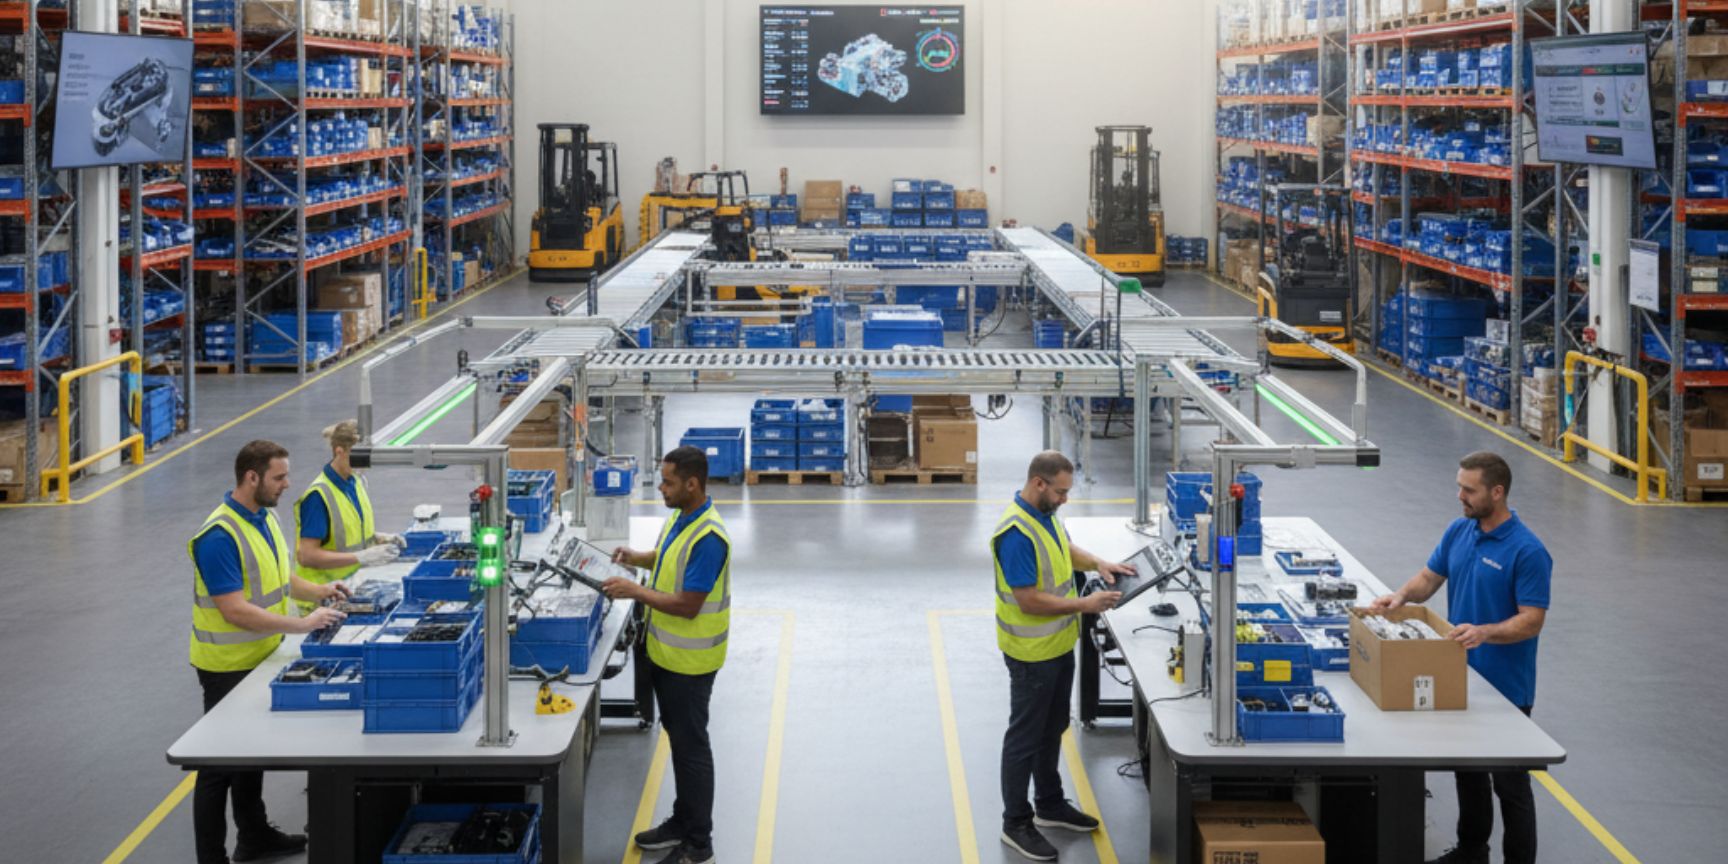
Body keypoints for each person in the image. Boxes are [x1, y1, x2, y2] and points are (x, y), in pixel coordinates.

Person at [1369, 451, 1551, 864]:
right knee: (1468, 771)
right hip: (1460, 675)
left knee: (1510, 785)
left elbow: (1532, 621)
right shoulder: (1460, 530)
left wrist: (1485, 631)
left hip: (1507, 687)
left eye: (1469, 490)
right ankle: (1472, 851)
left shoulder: (1528, 551)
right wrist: (1401, 596)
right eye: (1459, 487)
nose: (1460, 496)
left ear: (1497, 492)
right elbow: (1431, 577)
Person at [189, 440, 353, 864]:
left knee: (250, 756)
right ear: (252, 477)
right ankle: (211, 858)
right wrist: (301, 625)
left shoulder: (265, 517)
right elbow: (235, 609)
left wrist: (320, 590)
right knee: (217, 768)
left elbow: (282, 575)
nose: (287, 484)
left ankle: (254, 836)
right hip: (227, 666)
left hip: (262, 656)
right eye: (279, 477)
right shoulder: (218, 535)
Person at [994, 450, 1132, 862]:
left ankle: (1050, 804)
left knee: (1053, 727)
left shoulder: (1045, 514)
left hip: (1057, 646)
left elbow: (1063, 549)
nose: (1065, 499)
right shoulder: (1015, 532)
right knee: (1024, 739)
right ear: (1039, 483)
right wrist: (1085, 606)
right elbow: (1029, 601)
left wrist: (1099, 562)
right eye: (1061, 491)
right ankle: (1016, 822)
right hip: (1031, 654)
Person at [601, 446, 730, 864]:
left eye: (669, 481)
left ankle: (699, 842)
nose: (662, 487)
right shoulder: (682, 516)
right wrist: (639, 559)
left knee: (692, 751)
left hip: (690, 668)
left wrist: (635, 590)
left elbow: (688, 604)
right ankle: (682, 820)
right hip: (667, 656)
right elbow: (672, 559)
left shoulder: (710, 538)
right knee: (680, 746)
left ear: (693, 483)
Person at [293, 419, 403, 612]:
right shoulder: (318, 496)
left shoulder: (355, 482)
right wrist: (361, 556)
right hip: (323, 598)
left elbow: (344, 531)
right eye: (358, 456)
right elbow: (307, 555)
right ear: (339, 451)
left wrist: (377, 538)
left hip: (351, 587)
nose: (364, 463)